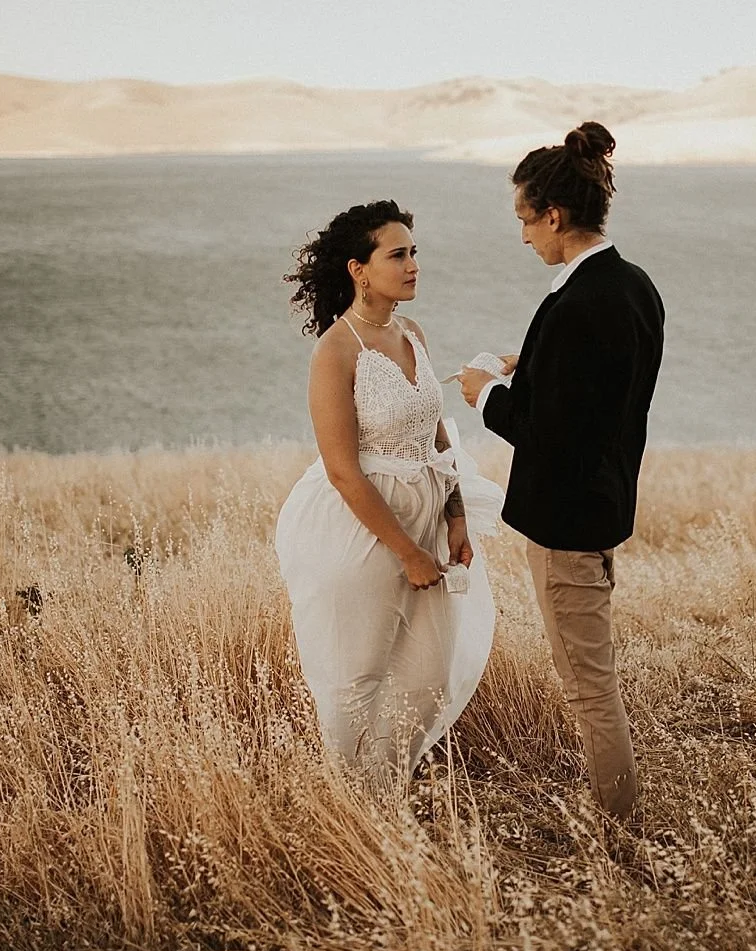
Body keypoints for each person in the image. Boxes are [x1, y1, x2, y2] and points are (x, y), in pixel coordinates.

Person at [457, 123, 664, 821]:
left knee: (589, 689)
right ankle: (619, 816)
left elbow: (547, 435)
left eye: (525, 220)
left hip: (568, 526)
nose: (523, 237)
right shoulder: (633, 286)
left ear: (553, 215)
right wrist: (532, 364)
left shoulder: (576, 303)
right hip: (605, 506)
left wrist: (484, 392)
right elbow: (605, 389)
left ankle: (619, 830)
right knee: (594, 679)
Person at [275, 200, 502, 797]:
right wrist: (407, 552)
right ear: (359, 269)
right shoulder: (335, 350)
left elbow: (436, 430)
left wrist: (455, 515)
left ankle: (386, 788)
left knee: (429, 674)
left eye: (413, 253)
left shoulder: (412, 333)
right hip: (364, 526)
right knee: (357, 675)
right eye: (397, 255)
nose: (412, 265)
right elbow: (342, 470)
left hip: (430, 513)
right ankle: (356, 807)